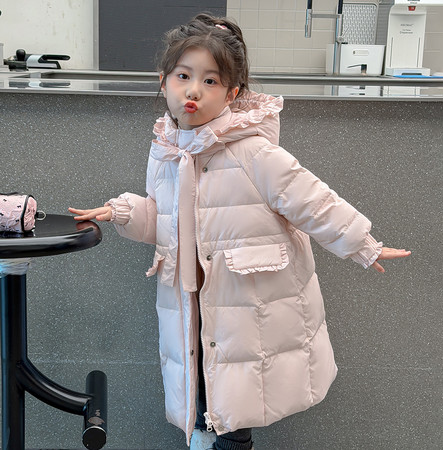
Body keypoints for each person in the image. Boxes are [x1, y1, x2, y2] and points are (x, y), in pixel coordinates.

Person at [69, 13, 411, 450]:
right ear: (163, 81)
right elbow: (165, 221)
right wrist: (124, 211)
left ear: (231, 94)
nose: (193, 90)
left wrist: (362, 244)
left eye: (210, 81)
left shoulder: (253, 151)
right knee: (202, 393)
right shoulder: (167, 150)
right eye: (183, 76)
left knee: (233, 408)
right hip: (189, 304)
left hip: (246, 303)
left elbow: (311, 200)